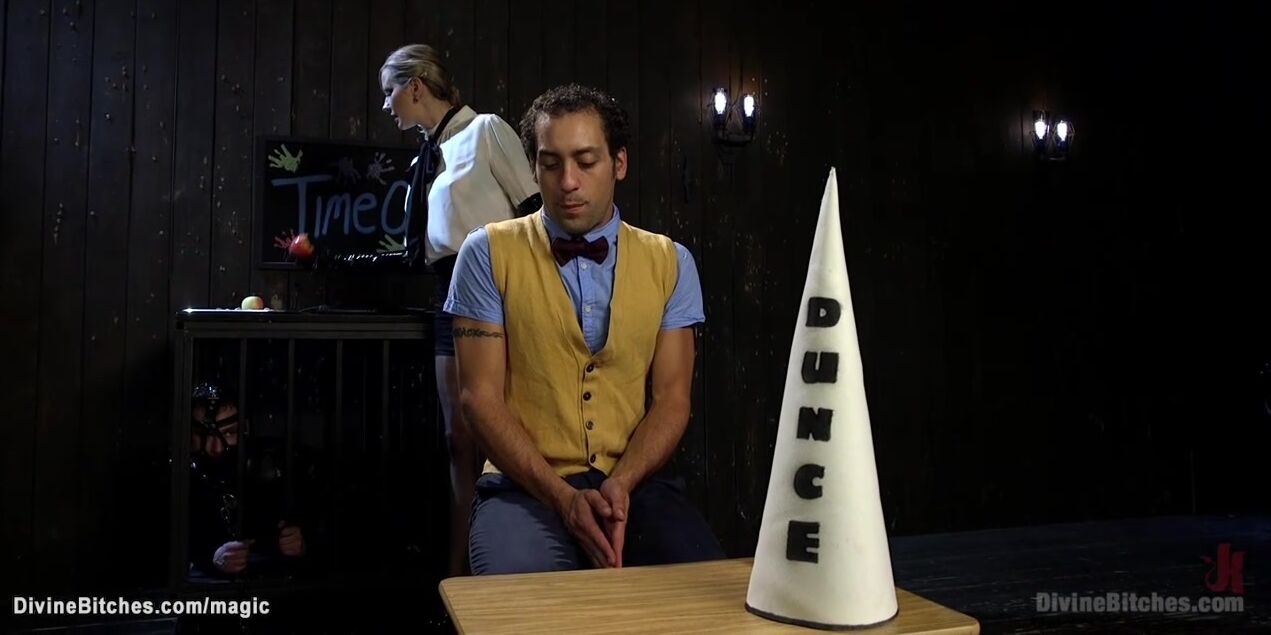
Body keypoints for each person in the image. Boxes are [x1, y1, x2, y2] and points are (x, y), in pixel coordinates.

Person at [445, 84, 725, 574]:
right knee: (523, 605)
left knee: (705, 592)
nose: (568, 181)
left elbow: (672, 399)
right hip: (521, 488)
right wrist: (562, 498)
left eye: (586, 161)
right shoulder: (486, 253)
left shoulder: (671, 262)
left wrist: (622, 484)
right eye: (551, 164)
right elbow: (478, 399)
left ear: (619, 163)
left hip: (635, 484)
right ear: (534, 168)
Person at [377, 43, 540, 577]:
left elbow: (534, 210)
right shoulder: (426, 158)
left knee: (501, 431)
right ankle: (460, 568)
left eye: (389, 91)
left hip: (497, 286)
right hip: (447, 292)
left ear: (415, 86)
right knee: (457, 439)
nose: (386, 104)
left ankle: (509, 561)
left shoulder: (485, 130)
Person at [186, 383, 311, 581]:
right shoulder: (178, 481)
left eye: (229, 433)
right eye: (203, 435)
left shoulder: (272, 472)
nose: (216, 448)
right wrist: (210, 559)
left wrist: (300, 544)